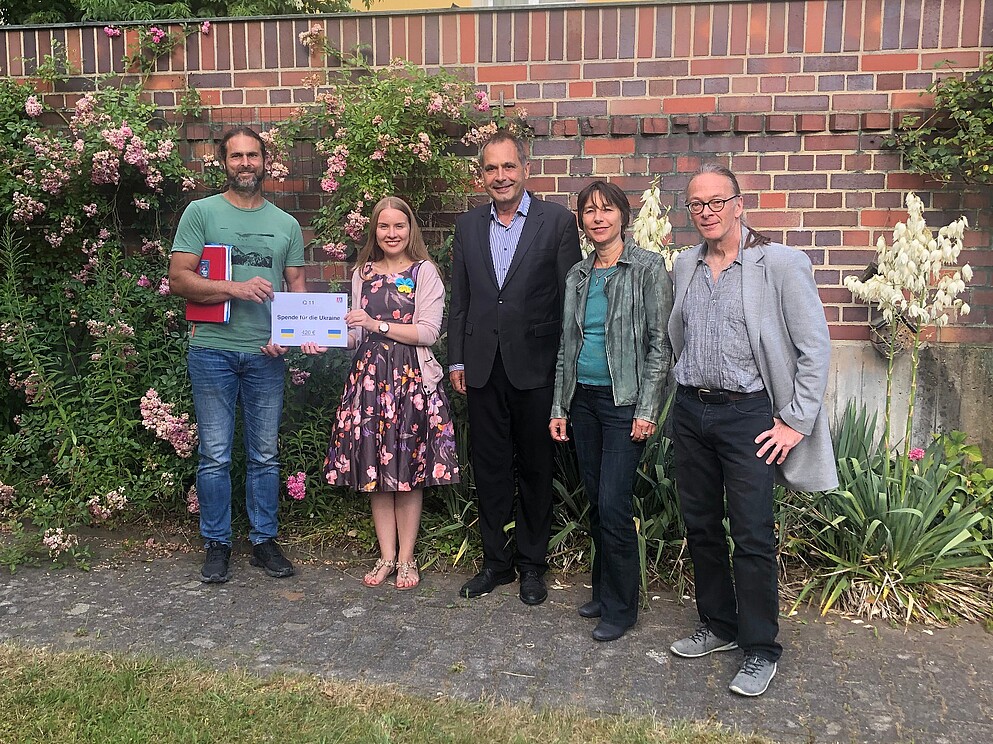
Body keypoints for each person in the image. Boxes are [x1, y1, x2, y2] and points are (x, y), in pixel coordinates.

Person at [667, 163, 838, 696]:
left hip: (749, 418)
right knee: (701, 526)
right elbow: (678, 336)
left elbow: (815, 349)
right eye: (697, 204)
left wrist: (795, 421)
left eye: (717, 202)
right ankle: (719, 625)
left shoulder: (780, 264)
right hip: (691, 412)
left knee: (752, 534)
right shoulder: (685, 265)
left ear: (739, 205)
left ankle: (760, 647)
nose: (707, 212)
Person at [448, 130, 583, 605]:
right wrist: (457, 358)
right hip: (482, 366)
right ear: (481, 175)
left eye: (508, 166)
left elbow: (570, 301)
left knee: (535, 469)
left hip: (536, 367)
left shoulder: (557, 222)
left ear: (525, 169)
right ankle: (495, 563)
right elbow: (461, 299)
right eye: (491, 168)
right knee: (489, 468)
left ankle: (531, 566)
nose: (500, 176)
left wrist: (565, 371)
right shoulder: (468, 226)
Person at [169, 126, 307, 584]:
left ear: (265, 161)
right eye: (236, 156)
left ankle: (264, 541)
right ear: (223, 162)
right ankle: (217, 544)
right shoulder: (201, 213)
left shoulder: (286, 224)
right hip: (212, 350)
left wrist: (287, 335)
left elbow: (297, 291)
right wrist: (235, 287)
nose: (245, 163)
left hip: (266, 355)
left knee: (265, 454)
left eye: (252, 155)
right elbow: (179, 279)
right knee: (214, 454)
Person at [549, 180, 672, 642]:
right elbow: (568, 344)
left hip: (625, 405)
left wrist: (647, 408)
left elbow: (660, 345)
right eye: (589, 211)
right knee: (598, 501)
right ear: (581, 220)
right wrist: (560, 406)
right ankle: (604, 593)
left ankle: (622, 610)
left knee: (614, 504)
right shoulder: (578, 275)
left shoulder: (647, 268)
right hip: (583, 401)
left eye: (606, 209)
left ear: (623, 216)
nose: (598, 218)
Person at [323, 196, 459, 590]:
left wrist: (376, 324)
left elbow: (428, 332)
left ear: (410, 229)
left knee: (408, 471)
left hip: (411, 381)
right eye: (384, 226)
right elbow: (355, 333)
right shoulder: (362, 273)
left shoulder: (424, 272)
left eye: (399, 225)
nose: (392, 233)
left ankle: (406, 559)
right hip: (369, 383)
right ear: (375, 230)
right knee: (375, 471)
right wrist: (326, 338)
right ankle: (386, 556)